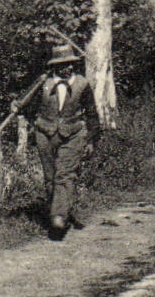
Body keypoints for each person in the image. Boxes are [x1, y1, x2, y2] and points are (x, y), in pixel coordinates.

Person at [8, 42, 101, 238]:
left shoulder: (82, 84)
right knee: (50, 178)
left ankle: (58, 218)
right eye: (60, 64)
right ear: (54, 66)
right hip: (45, 133)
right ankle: (61, 211)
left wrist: (92, 139)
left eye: (68, 64)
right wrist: (17, 105)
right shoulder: (43, 83)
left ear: (73, 64)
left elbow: (92, 113)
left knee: (65, 175)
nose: (65, 68)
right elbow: (25, 102)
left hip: (73, 134)